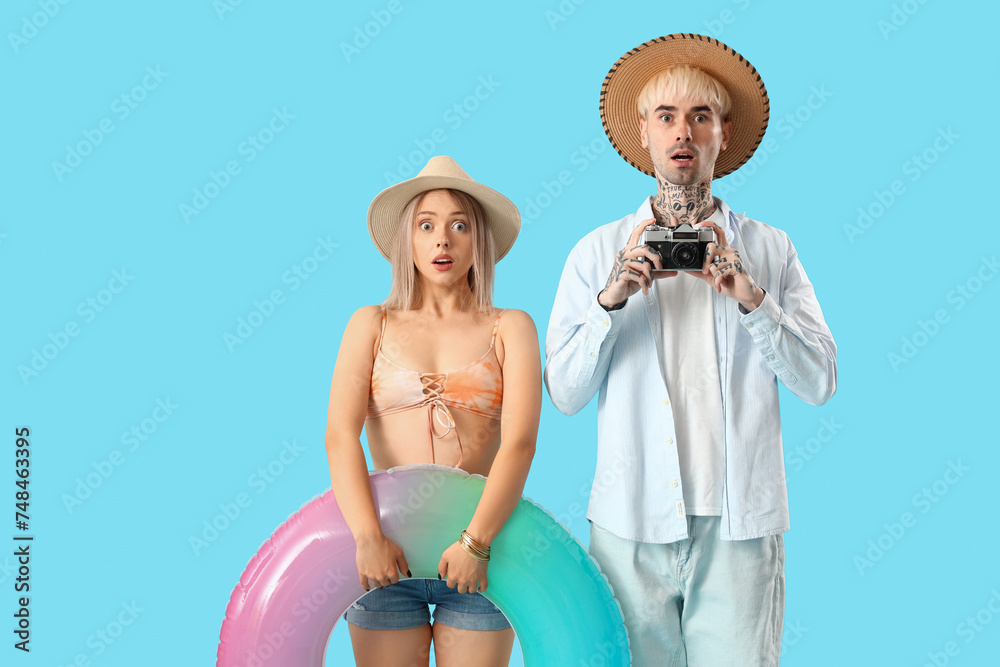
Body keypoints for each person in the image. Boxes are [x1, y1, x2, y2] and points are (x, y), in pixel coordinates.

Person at [544, 34, 837, 666]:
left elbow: (819, 381)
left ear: (721, 136)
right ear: (644, 134)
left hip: (739, 528)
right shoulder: (597, 252)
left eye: (700, 117)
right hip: (630, 523)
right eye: (667, 117)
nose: (684, 132)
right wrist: (610, 301)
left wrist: (754, 299)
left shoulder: (771, 249)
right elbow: (564, 394)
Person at [325, 155, 541, 667]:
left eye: (459, 226)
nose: (442, 240)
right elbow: (339, 435)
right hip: (386, 553)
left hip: (482, 553)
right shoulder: (370, 323)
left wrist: (477, 542)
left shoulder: (510, 327)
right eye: (427, 226)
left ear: (478, 241)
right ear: (409, 240)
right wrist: (367, 538)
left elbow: (520, 443)